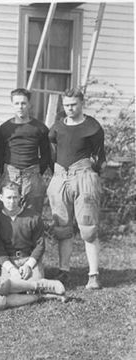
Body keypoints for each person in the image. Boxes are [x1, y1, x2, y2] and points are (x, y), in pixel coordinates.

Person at [47, 88, 106, 290]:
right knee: (62, 227)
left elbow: (100, 157)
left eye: (73, 104)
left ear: (82, 103)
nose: (70, 108)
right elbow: (52, 151)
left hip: (84, 177)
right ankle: (64, 271)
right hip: (60, 176)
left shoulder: (93, 127)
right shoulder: (57, 127)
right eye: (66, 105)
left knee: (88, 228)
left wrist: (91, 174)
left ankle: (93, 274)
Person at [0, 88, 51, 214]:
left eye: (23, 103)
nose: (20, 107)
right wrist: (6, 172)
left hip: (32, 176)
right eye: (16, 103)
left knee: (32, 216)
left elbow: (46, 154)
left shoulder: (40, 128)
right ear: (12, 105)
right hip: (10, 175)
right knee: (7, 216)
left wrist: (36, 173)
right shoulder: (5, 129)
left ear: (29, 105)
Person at [0, 181, 45, 281]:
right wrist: (11, 269)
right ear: (1, 197)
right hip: (8, 260)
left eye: (15, 197)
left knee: (35, 286)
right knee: (7, 286)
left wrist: (28, 265)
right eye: (8, 197)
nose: (12, 201)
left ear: (20, 197)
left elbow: (40, 245)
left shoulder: (33, 217)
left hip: (28, 257)